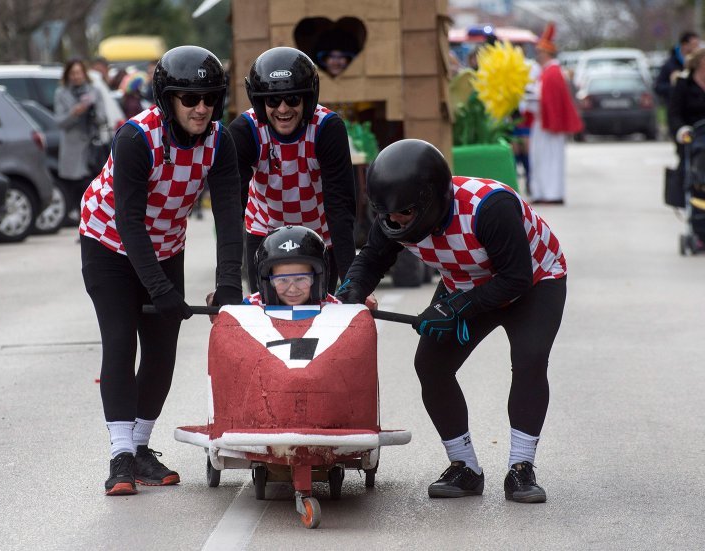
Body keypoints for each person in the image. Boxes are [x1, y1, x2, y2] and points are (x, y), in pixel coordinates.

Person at [336, 139, 567, 504]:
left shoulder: (491, 208)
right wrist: (349, 292)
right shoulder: (396, 212)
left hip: (535, 280)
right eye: (386, 214)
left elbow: (515, 279)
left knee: (529, 358)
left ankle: (521, 469)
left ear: (431, 201)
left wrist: (455, 308)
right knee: (430, 365)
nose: (394, 222)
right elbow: (373, 258)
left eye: (403, 215)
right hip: (467, 280)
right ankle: (465, 468)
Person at [78, 45, 244, 496]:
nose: (202, 107)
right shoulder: (136, 138)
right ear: (167, 99)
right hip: (109, 242)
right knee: (120, 340)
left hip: (166, 244)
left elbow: (231, 216)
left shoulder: (219, 140)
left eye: (210, 98)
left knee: (162, 346)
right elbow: (129, 222)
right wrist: (158, 288)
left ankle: (141, 448)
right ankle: (119, 456)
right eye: (189, 99)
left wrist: (229, 282)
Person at [229, 46, 356, 295]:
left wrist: (352, 282)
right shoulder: (245, 130)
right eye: (273, 100)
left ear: (308, 99)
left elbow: (341, 209)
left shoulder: (327, 128)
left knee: (319, 314)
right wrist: (227, 283)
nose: (284, 109)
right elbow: (231, 211)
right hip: (264, 231)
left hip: (320, 235)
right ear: (259, 101)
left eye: (293, 99)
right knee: (266, 314)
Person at [526, 22, 582, 205]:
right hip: (543, 124)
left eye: (540, 53)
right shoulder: (548, 72)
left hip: (549, 127)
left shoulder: (552, 72)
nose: (537, 56)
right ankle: (544, 192)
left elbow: (549, 101)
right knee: (542, 160)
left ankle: (552, 193)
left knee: (550, 160)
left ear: (546, 53)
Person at [54, 59, 107, 220]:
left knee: (93, 187)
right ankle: (82, 221)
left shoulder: (94, 91)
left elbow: (103, 118)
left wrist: (92, 111)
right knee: (76, 188)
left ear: (84, 74)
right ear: (68, 75)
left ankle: (94, 222)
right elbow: (59, 122)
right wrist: (74, 112)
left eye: (79, 73)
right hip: (72, 148)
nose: (76, 77)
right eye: (73, 73)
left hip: (91, 147)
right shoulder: (61, 93)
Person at [248, 225, 340, 306]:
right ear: (267, 282)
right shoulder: (250, 308)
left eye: (300, 279)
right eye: (282, 280)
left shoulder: (334, 308)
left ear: (317, 279)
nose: (292, 289)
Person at [668, 48, 705, 164]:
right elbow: (674, 113)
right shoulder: (683, 84)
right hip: (692, 133)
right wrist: (681, 129)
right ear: (700, 62)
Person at [654, 30, 700, 108]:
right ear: (685, 45)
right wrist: (675, 87)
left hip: (695, 110)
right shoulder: (670, 65)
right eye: (694, 45)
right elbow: (658, 87)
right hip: (676, 109)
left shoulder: (698, 64)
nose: (697, 48)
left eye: (697, 45)